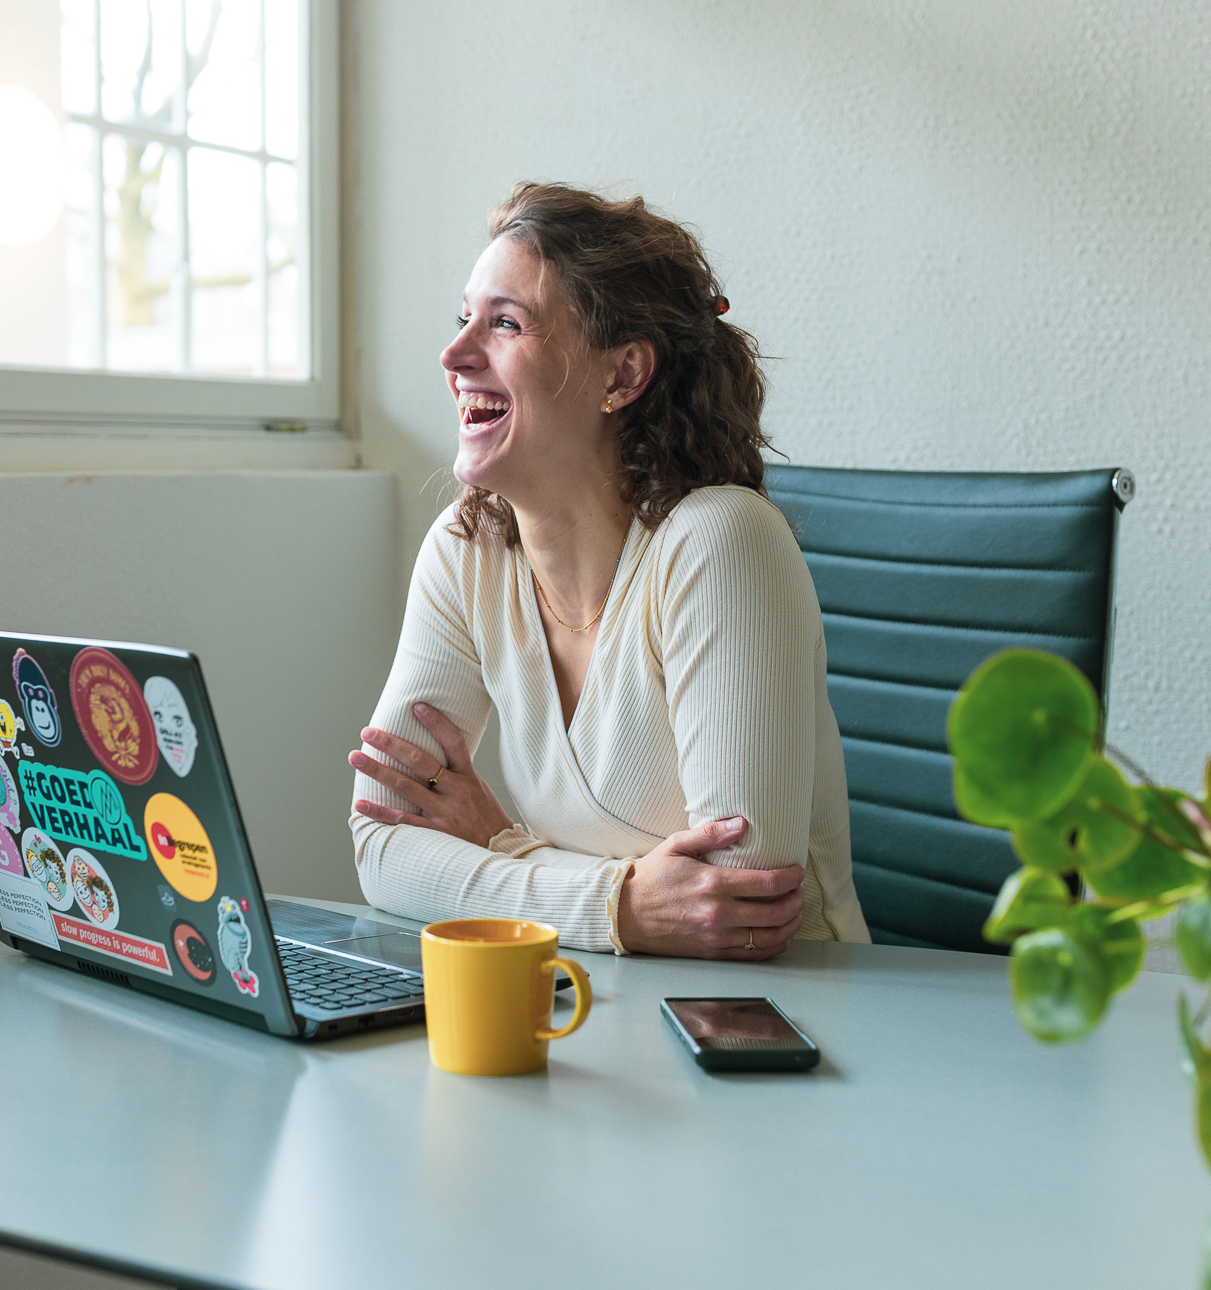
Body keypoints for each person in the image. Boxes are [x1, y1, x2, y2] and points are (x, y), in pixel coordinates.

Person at [346, 183, 869, 959]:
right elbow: (382, 845)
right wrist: (618, 905)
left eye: (505, 324)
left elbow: (739, 907)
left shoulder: (720, 542)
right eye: (464, 319)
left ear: (622, 375)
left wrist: (502, 849)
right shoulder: (467, 553)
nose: (455, 356)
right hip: (591, 1009)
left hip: (782, 1030)